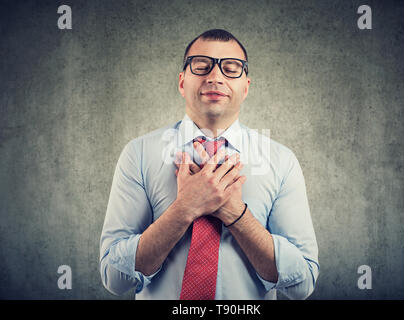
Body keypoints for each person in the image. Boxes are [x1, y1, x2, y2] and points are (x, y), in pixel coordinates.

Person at [99, 29, 319, 300]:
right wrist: (184, 209)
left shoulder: (282, 162)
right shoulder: (139, 154)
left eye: (231, 68)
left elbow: (303, 284)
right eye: (201, 66)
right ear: (182, 83)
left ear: (246, 87)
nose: (215, 77)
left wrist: (236, 214)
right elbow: (113, 278)